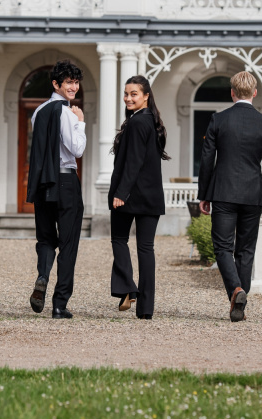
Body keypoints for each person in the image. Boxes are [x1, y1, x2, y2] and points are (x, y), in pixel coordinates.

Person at [197, 71, 262, 322]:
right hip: (253, 195)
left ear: (232, 93)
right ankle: (240, 298)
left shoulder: (218, 120)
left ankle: (236, 290)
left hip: (223, 192)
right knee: (246, 250)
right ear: (255, 93)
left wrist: (204, 194)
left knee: (222, 247)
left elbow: (207, 160)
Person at [26, 59, 86, 319]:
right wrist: (79, 122)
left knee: (46, 238)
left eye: (75, 82)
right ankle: (59, 304)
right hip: (65, 181)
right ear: (56, 84)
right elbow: (77, 149)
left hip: (42, 182)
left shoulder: (38, 111)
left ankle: (42, 275)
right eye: (68, 82)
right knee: (69, 243)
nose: (73, 87)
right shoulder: (66, 111)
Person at [108, 75, 169, 320]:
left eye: (134, 94)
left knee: (119, 240)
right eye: (126, 93)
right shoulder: (153, 122)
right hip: (152, 196)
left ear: (146, 96)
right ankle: (146, 308)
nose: (128, 98)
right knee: (146, 249)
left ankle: (127, 288)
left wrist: (120, 193)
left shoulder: (136, 123)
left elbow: (133, 162)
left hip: (131, 195)